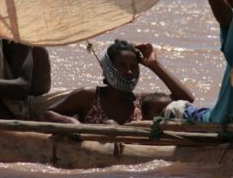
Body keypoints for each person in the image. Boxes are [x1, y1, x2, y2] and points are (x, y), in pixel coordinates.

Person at [43, 39, 194, 124]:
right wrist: (72, 124)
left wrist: (154, 65)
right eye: (121, 65)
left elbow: (186, 100)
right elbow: (47, 114)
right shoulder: (88, 96)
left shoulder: (141, 102)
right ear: (108, 68)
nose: (129, 72)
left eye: (133, 67)